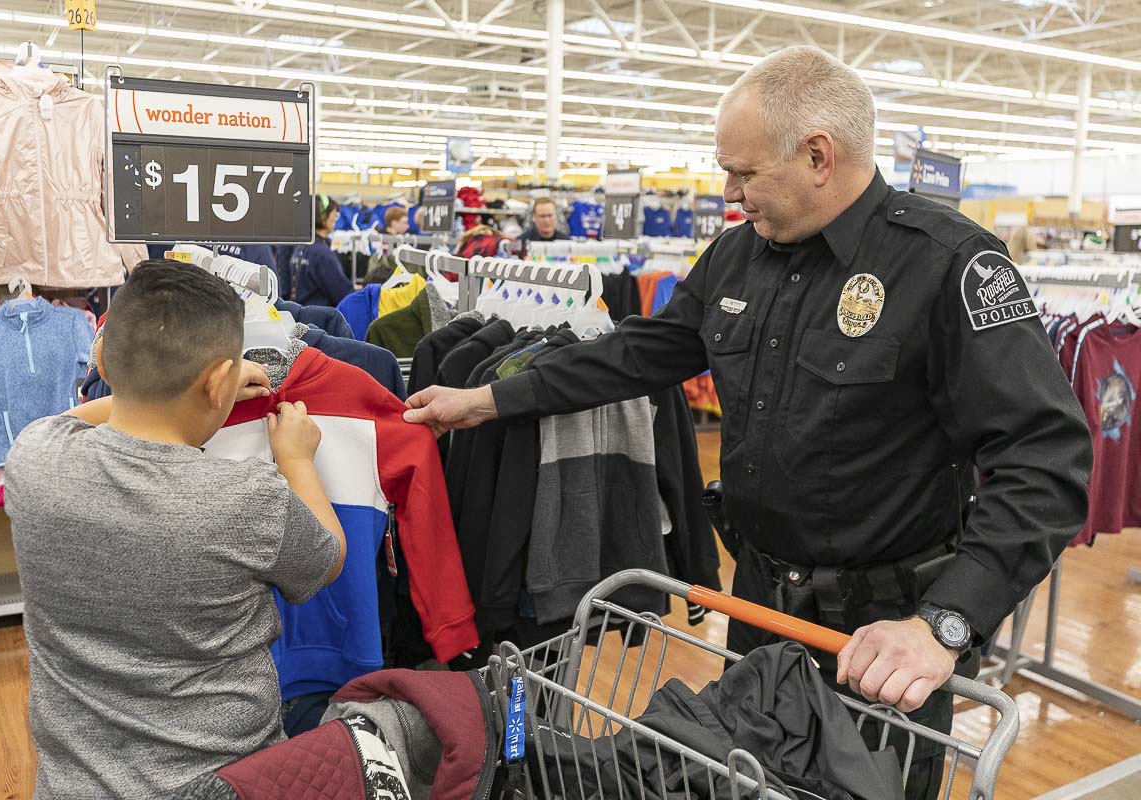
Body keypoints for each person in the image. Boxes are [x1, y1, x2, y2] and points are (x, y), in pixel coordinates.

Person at [402, 46, 1092, 800]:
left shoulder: (948, 265)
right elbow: (642, 351)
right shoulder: (739, 254)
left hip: (878, 642)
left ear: (818, 155)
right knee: (741, 785)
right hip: (760, 611)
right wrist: (492, 398)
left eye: (743, 172)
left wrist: (946, 626)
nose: (730, 193)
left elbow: (1047, 459)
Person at [3, 261, 347, 799]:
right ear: (217, 381)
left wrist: (191, 387)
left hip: (72, 783)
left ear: (101, 360)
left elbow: (73, 420)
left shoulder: (32, 455)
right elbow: (327, 560)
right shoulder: (247, 499)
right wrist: (297, 459)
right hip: (223, 781)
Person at [287, 195, 355, 306]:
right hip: (320, 318)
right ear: (323, 217)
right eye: (334, 215)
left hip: (303, 315)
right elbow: (341, 293)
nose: (335, 219)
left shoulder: (301, 247)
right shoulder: (322, 254)